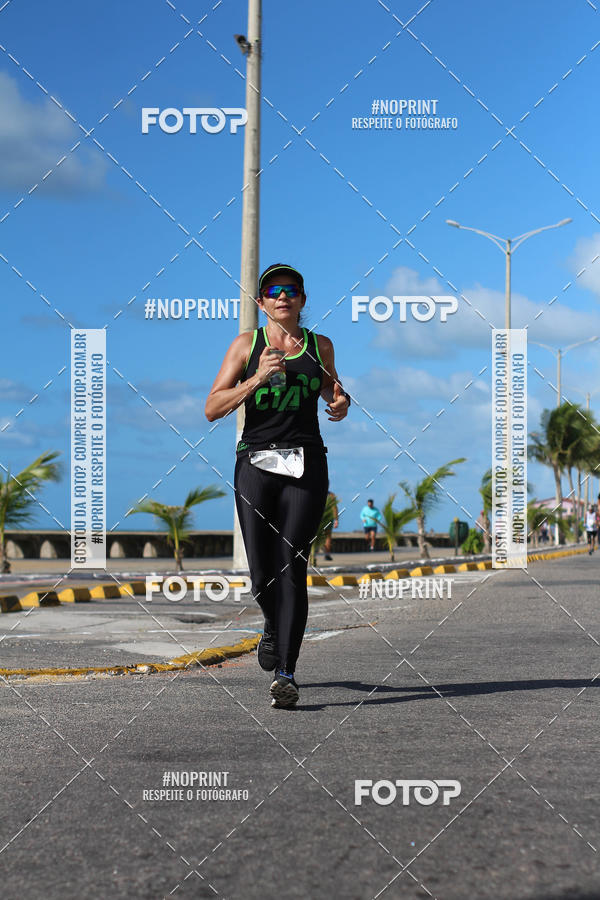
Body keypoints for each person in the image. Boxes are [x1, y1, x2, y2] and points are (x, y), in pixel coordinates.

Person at [205, 263, 350, 709]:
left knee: (292, 566)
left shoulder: (318, 345)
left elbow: (334, 389)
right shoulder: (246, 345)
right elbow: (213, 407)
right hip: (256, 463)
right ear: (261, 302)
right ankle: (272, 624)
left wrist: (341, 401)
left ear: (302, 301)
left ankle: (286, 672)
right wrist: (255, 379)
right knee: (262, 573)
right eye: (273, 290)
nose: (282, 296)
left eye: (291, 290)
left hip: (307, 462)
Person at [323, 491, 339, 560]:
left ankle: (312, 555)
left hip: (317, 518)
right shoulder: (331, 495)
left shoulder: (315, 491)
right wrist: (336, 519)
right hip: (328, 518)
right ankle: (327, 554)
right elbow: (334, 508)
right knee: (327, 537)